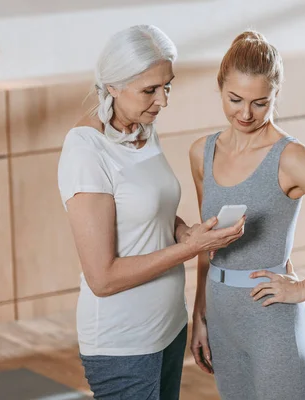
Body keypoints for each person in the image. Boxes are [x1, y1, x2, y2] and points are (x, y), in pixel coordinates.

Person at [57, 25, 244, 400]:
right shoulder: (86, 152)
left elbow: (147, 211)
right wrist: (192, 249)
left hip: (169, 328)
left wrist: (184, 232)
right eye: (150, 90)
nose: (162, 100)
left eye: (167, 86)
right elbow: (103, 278)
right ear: (112, 85)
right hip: (123, 346)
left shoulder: (142, 126)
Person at [189, 30, 305, 400]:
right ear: (220, 87)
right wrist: (199, 315)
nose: (245, 113)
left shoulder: (291, 157)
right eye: (235, 99)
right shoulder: (201, 153)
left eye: (260, 102)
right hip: (221, 315)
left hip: (271, 319)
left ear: (276, 95)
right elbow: (205, 245)